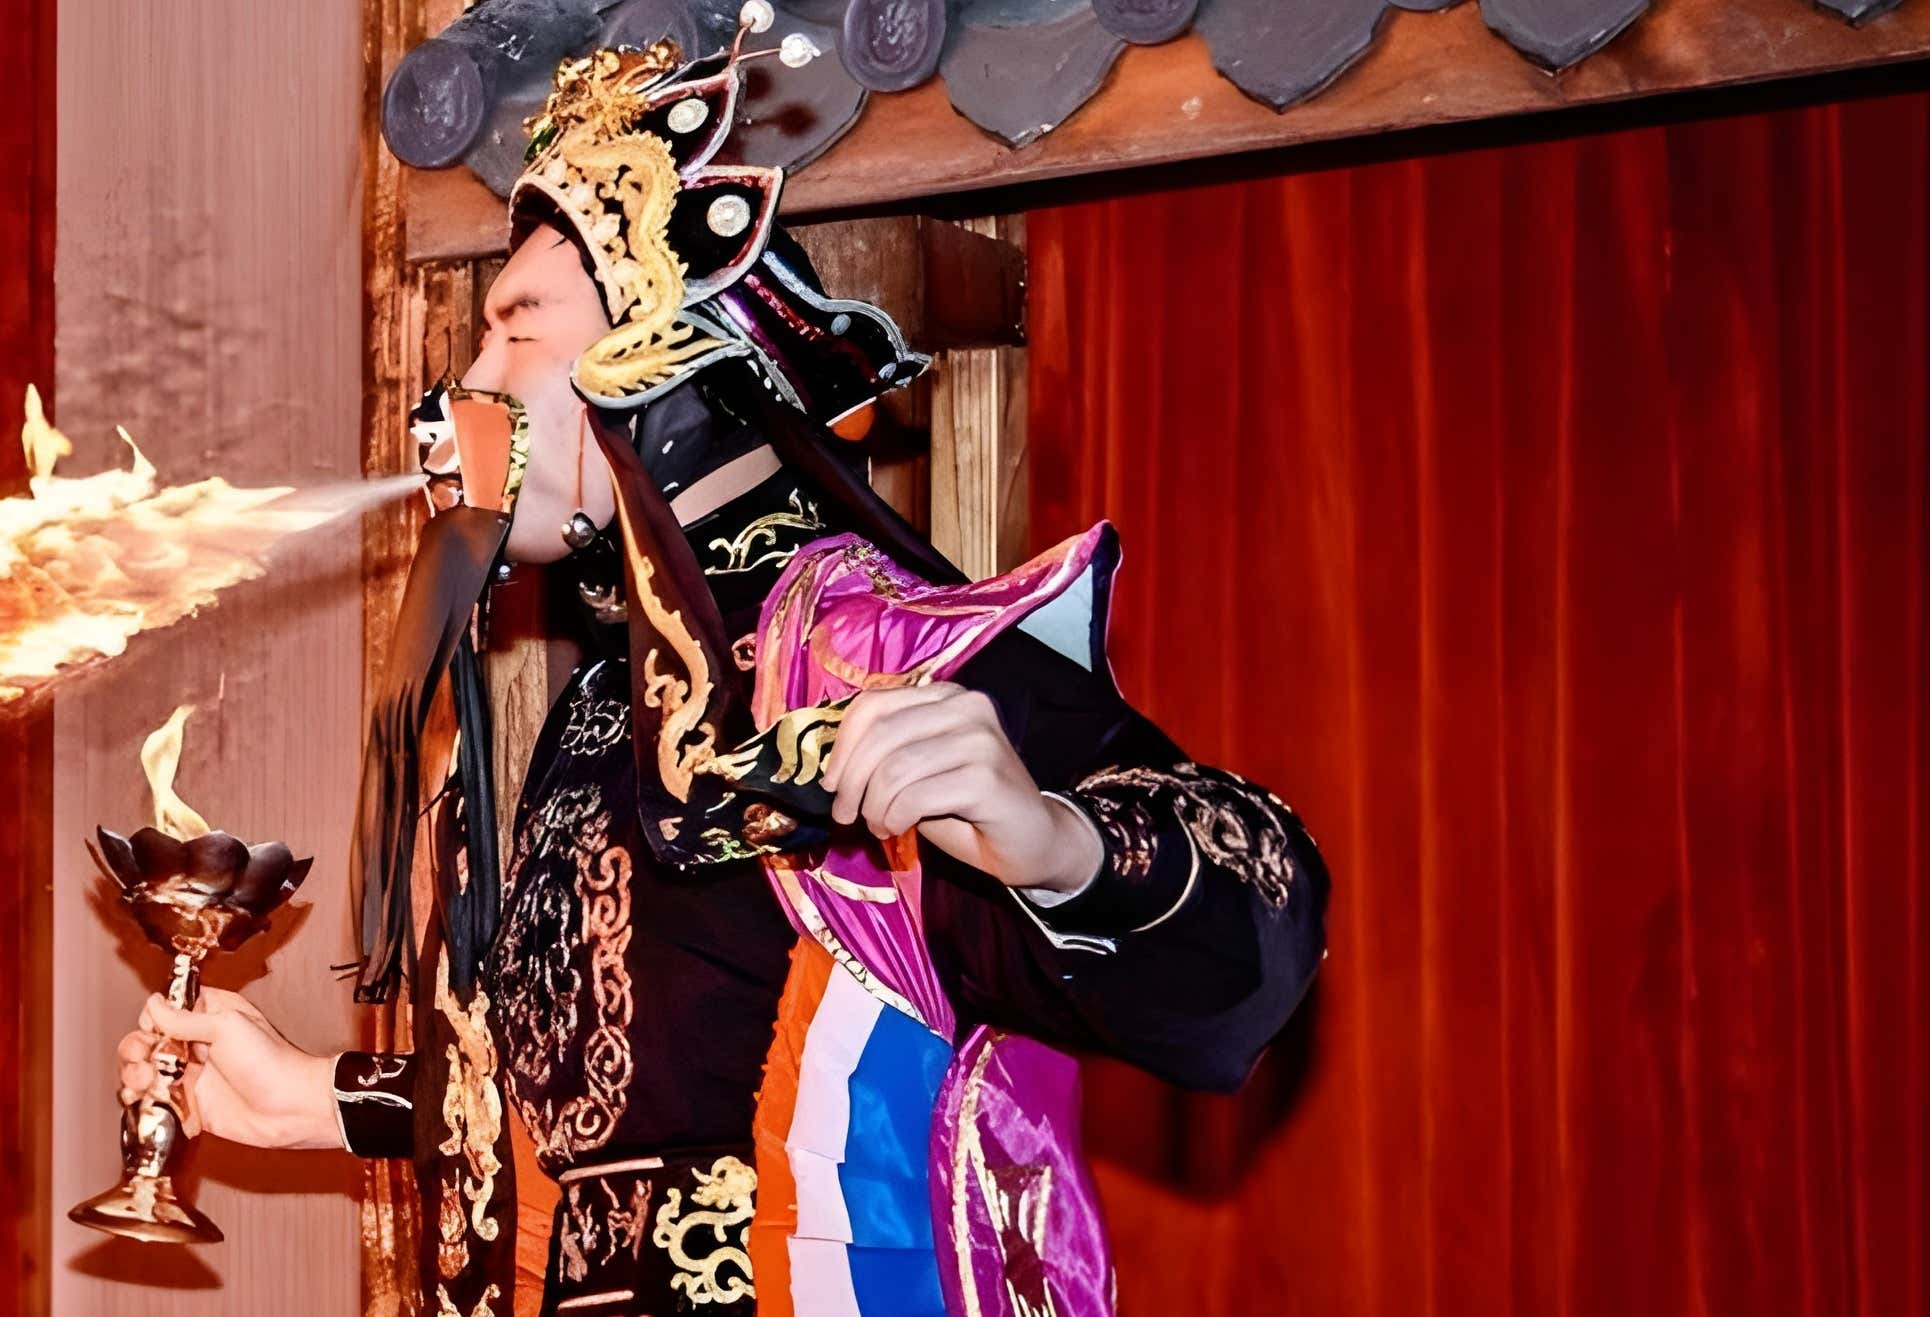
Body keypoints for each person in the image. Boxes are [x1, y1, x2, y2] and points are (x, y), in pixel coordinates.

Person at [111, 33, 1327, 1317]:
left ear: (659, 354)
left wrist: (1055, 840)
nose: (462, 387)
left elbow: (1263, 923)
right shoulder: (598, 706)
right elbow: (626, 1100)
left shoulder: (870, 647)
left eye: (515, 334)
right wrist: (317, 1101)